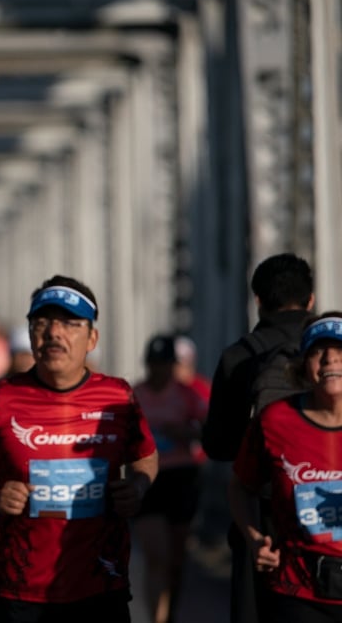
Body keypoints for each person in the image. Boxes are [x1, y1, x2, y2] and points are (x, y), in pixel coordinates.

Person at [0, 275, 158, 623]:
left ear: (92, 337)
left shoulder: (118, 398)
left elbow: (146, 456)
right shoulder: (1, 398)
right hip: (21, 589)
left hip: (101, 585)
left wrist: (137, 486)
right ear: (30, 334)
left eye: (69, 323)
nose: (54, 333)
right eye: (42, 322)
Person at [203, 253, 315, 623]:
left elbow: (218, 446)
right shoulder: (331, 356)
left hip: (261, 515)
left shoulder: (238, 358)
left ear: (258, 301)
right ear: (311, 300)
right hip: (329, 510)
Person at [228, 312, 342, 621]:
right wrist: (254, 540)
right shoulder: (275, 420)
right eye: (318, 351)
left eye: (340, 349)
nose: (331, 359)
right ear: (305, 365)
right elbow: (240, 486)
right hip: (299, 591)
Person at [133, 334, 208, 623]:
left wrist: (182, 432)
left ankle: (171, 609)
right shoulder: (134, 394)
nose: (160, 370)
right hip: (147, 477)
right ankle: (157, 617)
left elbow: (207, 429)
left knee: (176, 559)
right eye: (154, 364)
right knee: (157, 557)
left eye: (165, 364)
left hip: (181, 476)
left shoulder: (188, 394)